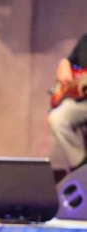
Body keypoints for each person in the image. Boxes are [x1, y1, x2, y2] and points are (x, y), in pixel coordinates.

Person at [49, 35, 87, 170]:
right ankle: (80, 165)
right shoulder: (85, 40)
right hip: (82, 102)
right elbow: (71, 61)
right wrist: (64, 64)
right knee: (57, 118)